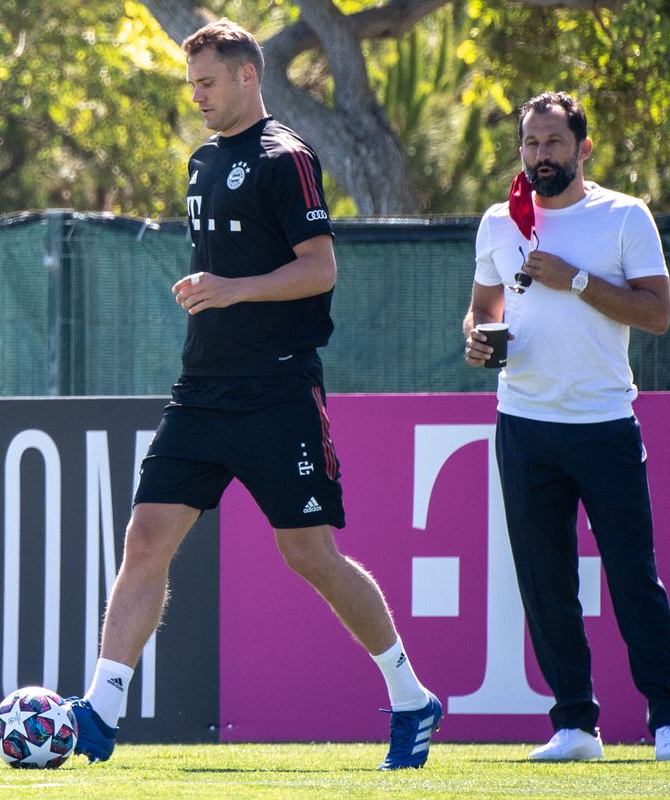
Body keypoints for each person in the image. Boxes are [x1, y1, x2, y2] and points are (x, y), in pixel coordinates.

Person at [67, 19, 441, 770]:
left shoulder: (287, 156)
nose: (198, 97)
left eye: (208, 82)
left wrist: (233, 290)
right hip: (202, 390)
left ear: (246, 75)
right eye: (192, 84)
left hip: (277, 388)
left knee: (309, 553)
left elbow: (320, 269)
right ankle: (101, 713)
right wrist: (214, 292)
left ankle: (411, 698)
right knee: (145, 539)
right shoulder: (204, 161)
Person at [463, 91, 670, 762]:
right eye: (531, 144)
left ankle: (668, 723)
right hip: (523, 424)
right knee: (545, 580)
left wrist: (578, 281)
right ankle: (574, 725)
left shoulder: (623, 216)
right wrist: (477, 338)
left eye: (553, 143)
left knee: (632, 574)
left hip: (603, 423)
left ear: (583, 148)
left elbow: (656, 314)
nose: (540, 155)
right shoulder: (498, 222)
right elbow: (480, 307)